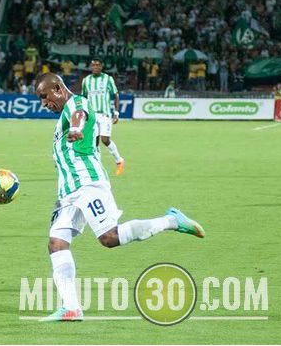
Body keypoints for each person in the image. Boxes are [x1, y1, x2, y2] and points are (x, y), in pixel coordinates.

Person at [33, 72, 205, 322]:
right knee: (57, 243)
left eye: (44, 97)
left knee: (110, 238)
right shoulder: (62, 113)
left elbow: (79, 117)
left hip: (88, 185)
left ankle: (172, 221)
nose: (43, 104)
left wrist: (76, 129)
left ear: (58, 88)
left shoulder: (76, 104)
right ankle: (71, 308)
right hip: (68, 193)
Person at [80, 58, 124, 176]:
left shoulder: (108, 79)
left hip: (105, 114)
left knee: (105, 139)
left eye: (97, 65)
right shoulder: (86, 80)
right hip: (92, 115)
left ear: (101, 67)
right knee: (94, 142)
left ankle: (119, 160)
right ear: (90, 66)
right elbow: (83, 97)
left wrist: (116, 113)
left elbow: (116, 95)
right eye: (93, 65)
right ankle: (97, 167)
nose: (95, 67)